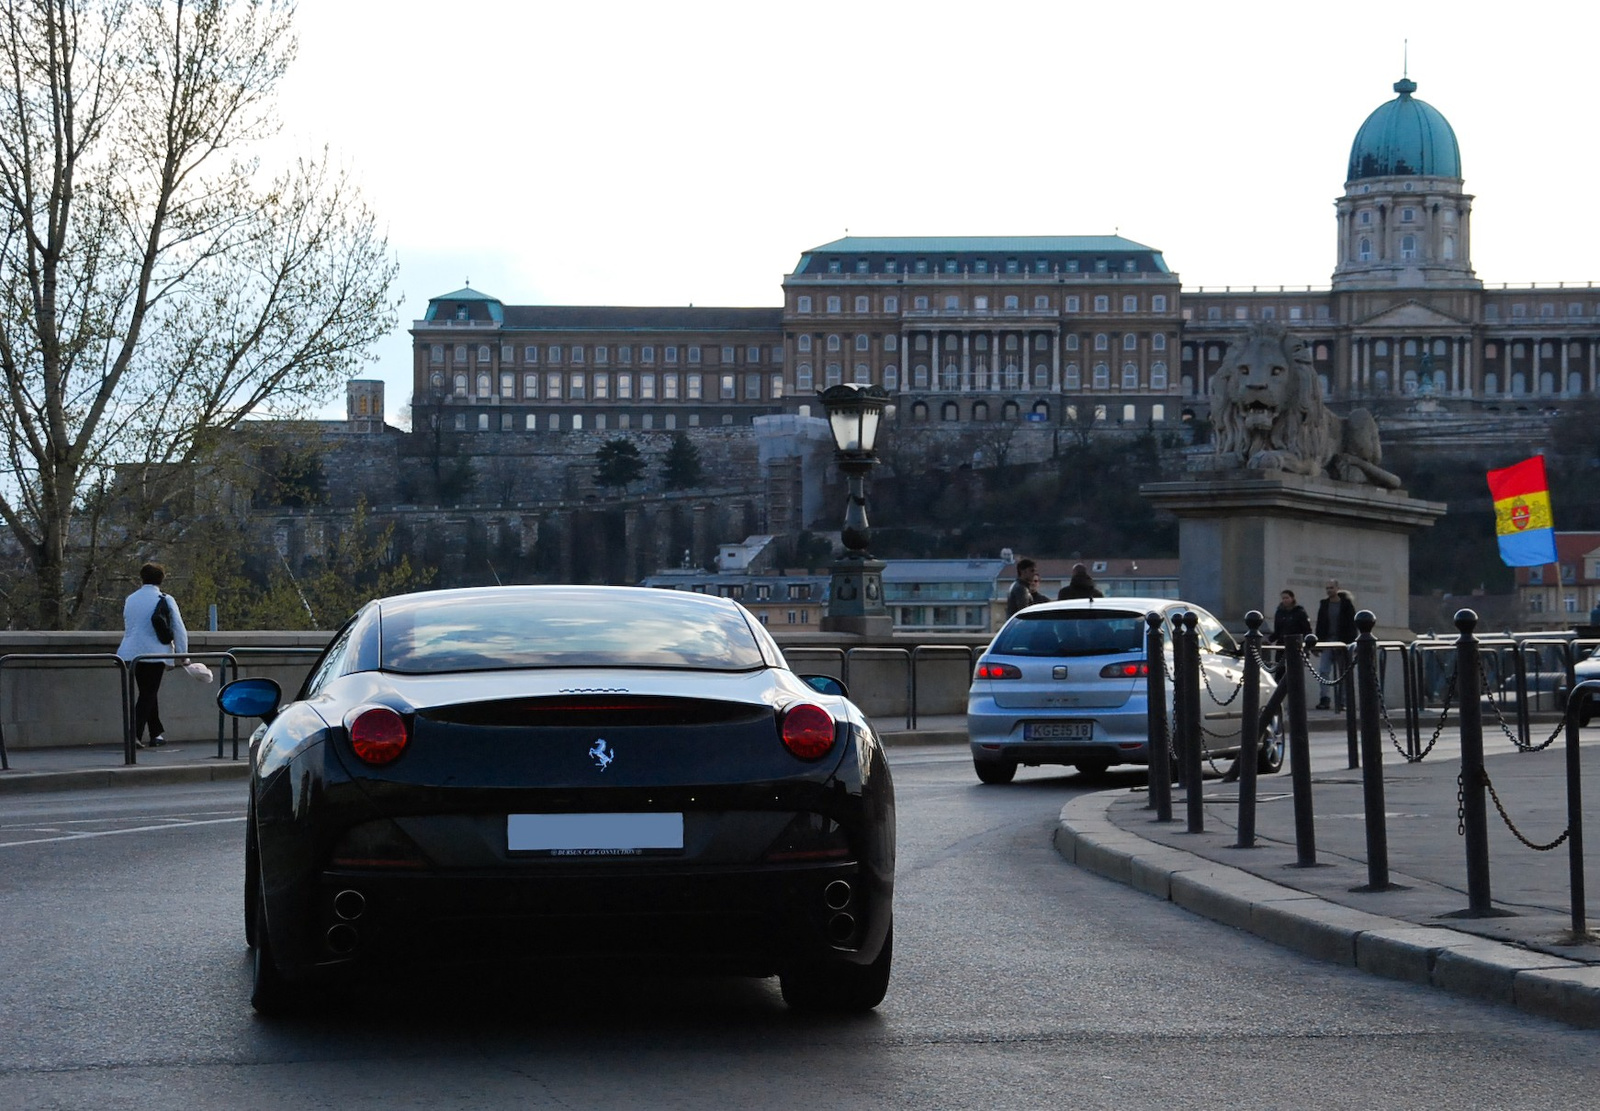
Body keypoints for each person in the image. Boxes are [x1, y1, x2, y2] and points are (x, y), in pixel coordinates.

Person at [116, 562, 188, 748]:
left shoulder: (131, 599)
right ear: (161, 579)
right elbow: (178, 628)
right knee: (148, 694)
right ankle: (134, 735)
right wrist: (182, 654)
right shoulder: (165, 598)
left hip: (130, 653)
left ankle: (156, 734)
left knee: (148, 693)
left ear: (142, 577)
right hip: (155, 652)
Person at [1314, 579, 1357, 710]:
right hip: (1327, 642)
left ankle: (1342, 701)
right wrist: (1317, 644)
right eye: (1327, 588)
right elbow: (1320, 625)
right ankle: (1324, 699)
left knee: (1342, 673)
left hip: (1342, 643)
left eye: (1331, 588)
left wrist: (1351, 644)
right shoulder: (1324, 604)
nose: (1329, 590)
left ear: (1337, 588)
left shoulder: (1347, 605)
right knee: (1323, 671)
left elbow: (1352, 626)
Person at [1268, 589, 1311, 679]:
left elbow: (1306, 630)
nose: (1285, 600)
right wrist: (1268, 640)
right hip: (1281, 645)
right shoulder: (1279, 612)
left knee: (1295, 672)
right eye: (1283, 598)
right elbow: (1277, 631)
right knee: (1280, 671)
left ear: (1292, 598)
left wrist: (1307, 647)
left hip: (1296, 645)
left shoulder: (1299, 612)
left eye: (1287, 598)